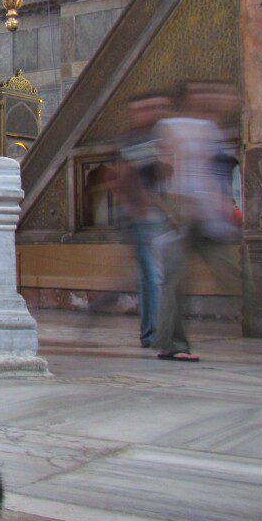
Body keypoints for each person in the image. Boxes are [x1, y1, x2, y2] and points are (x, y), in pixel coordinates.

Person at [152, 82, 242, 363]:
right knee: (176, 281)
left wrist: (226, 207)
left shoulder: (212, 132)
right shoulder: (172, 126)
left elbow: (217, 175)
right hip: (183, 212)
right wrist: (173, 207)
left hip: (208, 215)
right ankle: (171, 344)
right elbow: (164, 167)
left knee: (233, 273)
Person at [114, 94, 172, 348]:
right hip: (141, 217)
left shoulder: (156, 138)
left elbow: (165, 173)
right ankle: (152, 334)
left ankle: (154, 330)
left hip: (155, 215)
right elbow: (125, 179)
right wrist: (139, 207)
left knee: (152, 275)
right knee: (152, 275)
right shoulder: (130, 141)